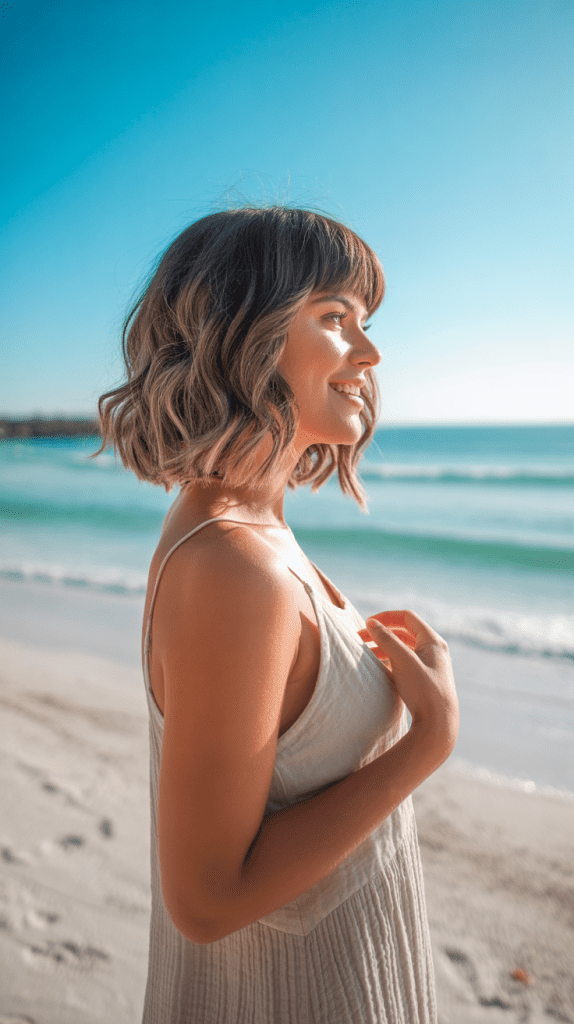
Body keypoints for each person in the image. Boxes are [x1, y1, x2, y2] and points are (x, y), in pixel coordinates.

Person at [95, 205, 459, 1023]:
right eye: (335, 318)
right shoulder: (233, 567)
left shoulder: (247, 527)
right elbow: (208, 898)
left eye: (365, 323)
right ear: (245, 334)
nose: (369, 353)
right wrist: (427, 743)